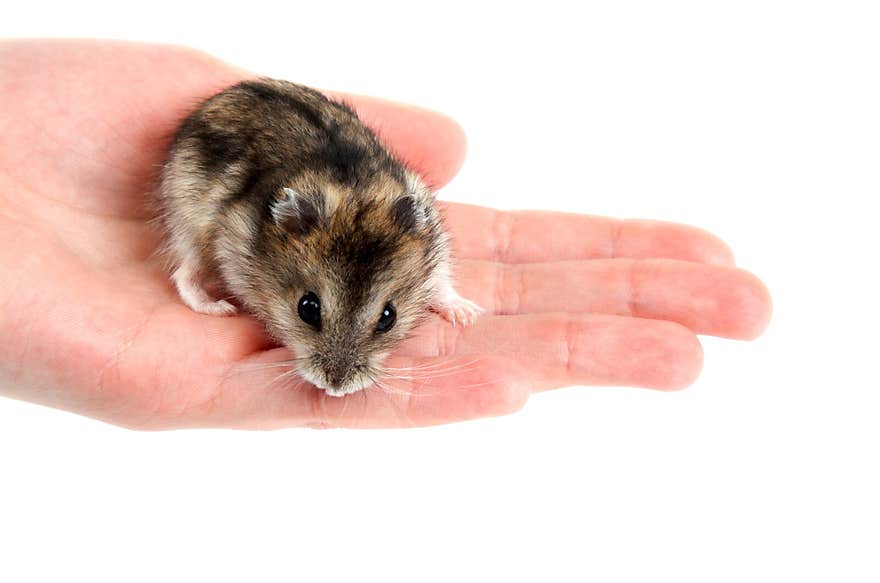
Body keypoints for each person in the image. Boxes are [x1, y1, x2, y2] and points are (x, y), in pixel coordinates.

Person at [0, 39, 772, 429]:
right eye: (309, 314)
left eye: (384, 322)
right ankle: (183, 275)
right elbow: (235, 232)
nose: (337, 371)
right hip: (231, 152)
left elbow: (428, 259)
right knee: (202, 240)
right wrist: (205, 272)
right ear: (288, 243)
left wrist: (444, 298)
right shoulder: (278, 224)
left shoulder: (414, 230)